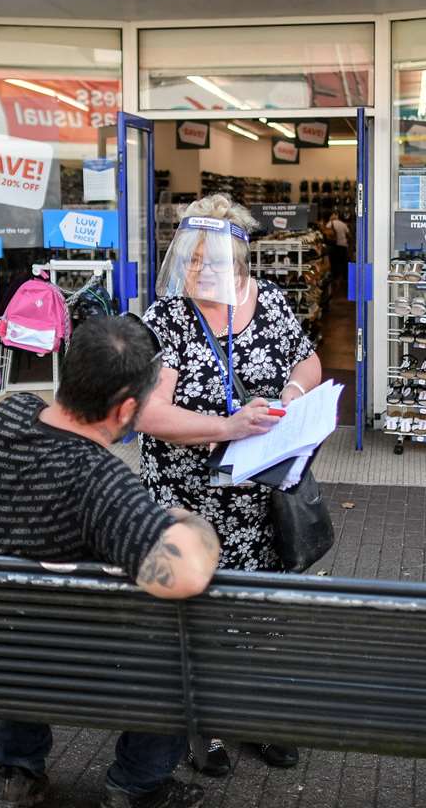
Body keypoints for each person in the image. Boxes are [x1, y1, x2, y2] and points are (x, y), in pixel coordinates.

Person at [0, 315, 221, 808]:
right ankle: (137, 784)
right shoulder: (99, 481)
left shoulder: (5, 418)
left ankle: (17, 770)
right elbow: (187, 574)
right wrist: (187, 521)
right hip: (70, 669)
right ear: (126, 409)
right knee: (185, 644)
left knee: (19, 614)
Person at [136, 193, 321, 775]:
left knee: (259, 613)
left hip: (259, 503)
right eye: (194, 260)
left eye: (217, 259)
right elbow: (146, 413)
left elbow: (307, 362)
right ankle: (204, 727)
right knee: (196, 617)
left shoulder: (269, 303)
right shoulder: (163, 319)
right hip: (185, 503)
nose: (205, 270)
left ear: (241, 261)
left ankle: (257, 718)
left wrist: (291, 400)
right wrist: (228, 425)